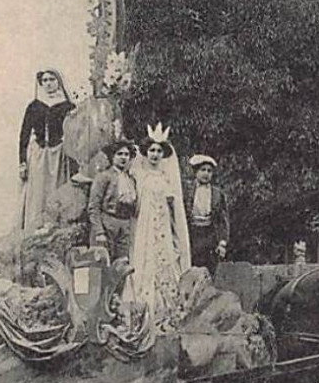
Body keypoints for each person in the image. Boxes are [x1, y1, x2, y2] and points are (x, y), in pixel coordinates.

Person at [129, 124, 191, 332]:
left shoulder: (167, 178)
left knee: (165, 262)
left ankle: (167, 311)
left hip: (163, 226)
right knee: (145, 261)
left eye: (159, 151)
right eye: (152, 150)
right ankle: (145, 311)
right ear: (145, 153)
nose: (155, 154)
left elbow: (174, 208)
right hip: (144, 226)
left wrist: (176, 236)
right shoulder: (138, 174)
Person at [18, 68, 76, 233]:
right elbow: (24, 135)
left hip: (59, 155)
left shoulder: (68, 106)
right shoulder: (34, 106)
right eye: (45, 81)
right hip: (39, 155)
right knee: (37, 193)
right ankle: (34, 229)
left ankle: (54, 230)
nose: (48, 84)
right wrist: (22, 162)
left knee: (56, 190)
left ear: (58, 82)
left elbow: (75, 133)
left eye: (52, 79)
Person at [88, 140, 138, 262]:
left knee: (122, 264)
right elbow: (93, 206)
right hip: (107, 224)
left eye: (126, 155)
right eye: (119, 154)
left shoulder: (131, 179)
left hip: (125, 225)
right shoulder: (104, 177)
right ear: (112, 156)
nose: (123, 158)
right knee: (102, 263)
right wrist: (99, 232)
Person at [184, 154, 230, 271]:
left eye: (209, 171)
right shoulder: (187, 190)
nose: (206, 174)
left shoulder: (217, 193)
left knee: (209, 269)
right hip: (192, 235)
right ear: (196, 172)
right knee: (191, 267)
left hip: (209, 235)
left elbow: (222, 220)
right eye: (203, 170)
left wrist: (222, 242)